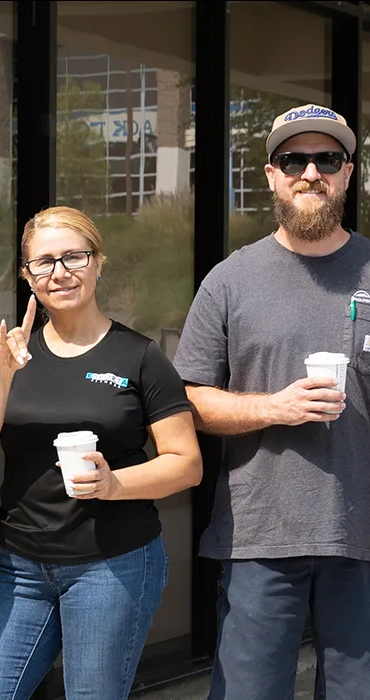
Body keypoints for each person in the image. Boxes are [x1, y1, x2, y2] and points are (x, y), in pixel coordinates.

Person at [0, 206, 202, 700]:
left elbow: (186, 463)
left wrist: (115, 484)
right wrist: (2, 373)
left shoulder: (138, 356)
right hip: (22, 566)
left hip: (111, 562)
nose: (60, 272)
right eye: (44, 262)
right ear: (27, 275)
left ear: (98, 263)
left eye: (74, 256)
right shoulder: (11, 353)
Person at [172, 104, 370, 700]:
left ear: (348, 172)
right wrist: (273, 408)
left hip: (362, 537)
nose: (310, 172)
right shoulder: (230, 280)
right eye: (294, 160)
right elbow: (187, 401)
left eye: (326, 159)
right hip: (260, 537)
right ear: (270, 175)